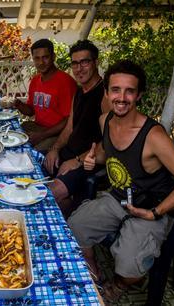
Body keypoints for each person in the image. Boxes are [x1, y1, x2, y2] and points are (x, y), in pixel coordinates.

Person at [67, 60, 174, 302]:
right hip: (118, 198)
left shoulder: (154, 136)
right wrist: (91, 158)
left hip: (150, 207)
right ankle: (93, 272)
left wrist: (155, 212)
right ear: (106, 93)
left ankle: (118, 284)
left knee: (130, 267)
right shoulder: (105, 120)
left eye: (129, 91)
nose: (122, 97)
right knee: (73, 227)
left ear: (138, 95)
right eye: (116, 90)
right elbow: (105, 152)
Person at [44, 39, 109, 217]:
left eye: (84, 62)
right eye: (75, 63)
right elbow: (69, 127)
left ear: (96, 62)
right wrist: (55, 149)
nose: (79, 68)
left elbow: (111, 142)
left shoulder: (105, 95)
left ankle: (69, 221)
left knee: (49, 195)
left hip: (88, 163)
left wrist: (78, 160)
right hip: (67, 154)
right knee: (30, 174)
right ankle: (70, 211)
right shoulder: (79, 92)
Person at [13, 39, 77, 152]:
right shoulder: (35, 80)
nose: (41, 62)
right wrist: (18, 105)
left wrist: (42, 135)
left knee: (32, 152)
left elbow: (69, 120)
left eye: (45, 57)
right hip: (39, 127)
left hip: (58, 133)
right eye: (37, 58)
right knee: (13, 134)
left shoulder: (65, 82)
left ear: (53, 57)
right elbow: (31, 111)